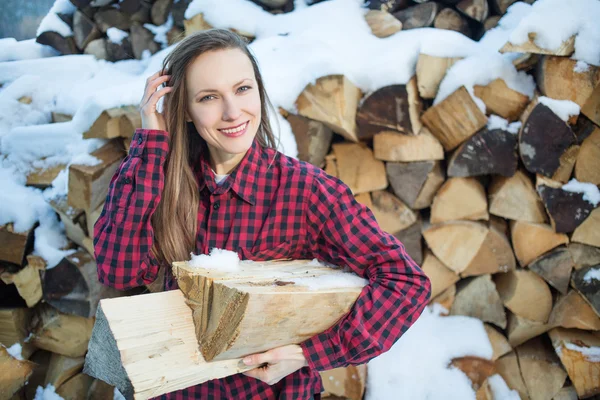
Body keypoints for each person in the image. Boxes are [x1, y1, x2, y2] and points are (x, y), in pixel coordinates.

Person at [94, 28, 431, 400]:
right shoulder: (161, 181)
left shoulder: (305, 191)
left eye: (242, 89)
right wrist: (152, 142)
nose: (232, 112)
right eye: (208, 97)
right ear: (186, 111)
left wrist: (309, 354)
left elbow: (405, 282)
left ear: (258, 89)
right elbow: (118, 270)